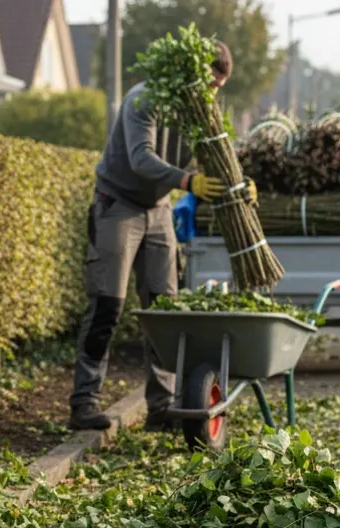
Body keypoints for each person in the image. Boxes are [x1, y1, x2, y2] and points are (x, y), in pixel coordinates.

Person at [68, 40, 254, 432]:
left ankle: (162, 407)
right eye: (210, 83)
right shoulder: (143, 99)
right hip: (117, 204)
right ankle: (84, 403)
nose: (212, 94)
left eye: (219, 87)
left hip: (158, 210)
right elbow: (141, 157)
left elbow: (219, 156)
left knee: (163, 309)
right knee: (107, 305)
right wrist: (188, 181)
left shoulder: (200, 113)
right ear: (190, 72)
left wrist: (243, 183)